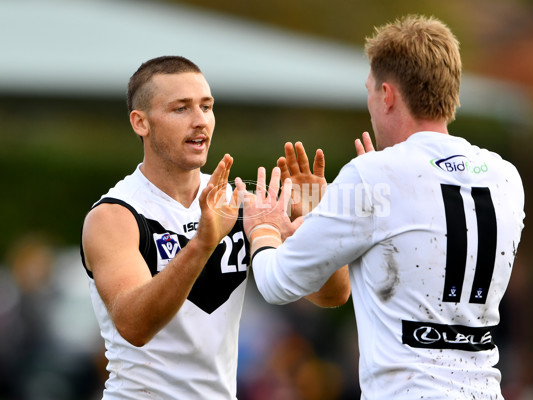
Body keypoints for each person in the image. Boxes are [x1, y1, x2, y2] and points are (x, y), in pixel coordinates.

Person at [236, 15, 526, 399]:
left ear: (387, 95)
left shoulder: (376, 175)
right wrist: (336, 218)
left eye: (370, 90)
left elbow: (275, 283)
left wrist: (264, 228)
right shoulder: (505, 176)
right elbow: (415, 241)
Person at [80, 55, 349, 400]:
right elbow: (134, 325)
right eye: (181, 109)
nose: (200, 121)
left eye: (206, 107)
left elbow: (332, 294)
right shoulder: (115, 215)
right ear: (140, 123)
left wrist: (319, 225)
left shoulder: (238, 204)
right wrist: (202, 243)